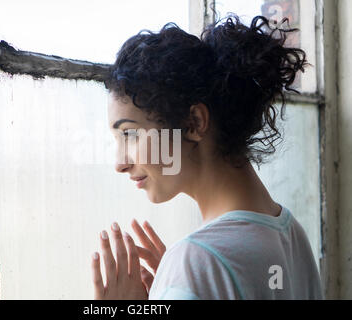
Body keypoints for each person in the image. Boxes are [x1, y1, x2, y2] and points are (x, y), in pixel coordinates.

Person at [90, 14, 324, 300]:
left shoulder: (194, 262)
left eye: (130, 134)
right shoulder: (291, 234)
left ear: (194, 122)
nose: (119, 163)